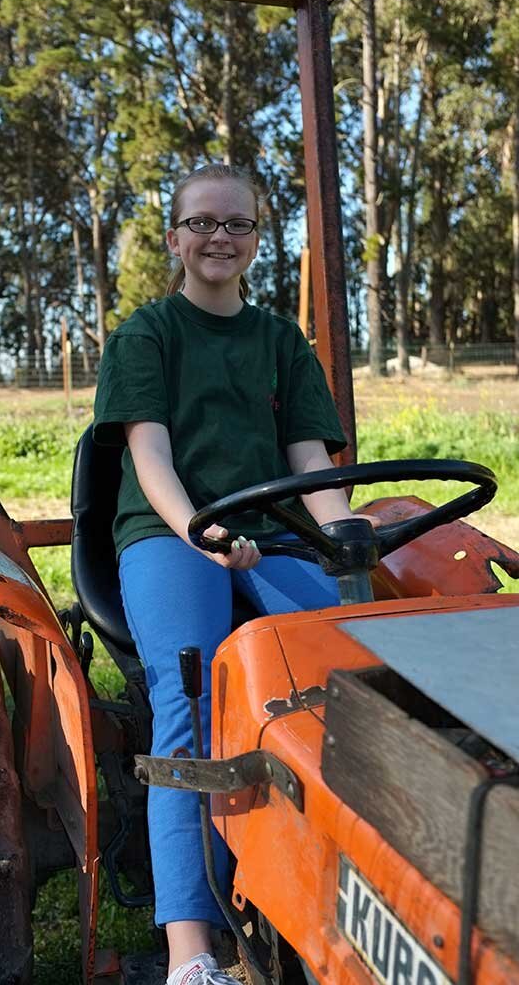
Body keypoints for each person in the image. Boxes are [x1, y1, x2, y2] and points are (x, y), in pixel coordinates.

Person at [93, 163, 371, 985]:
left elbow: (309, 462)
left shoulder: (280, 341)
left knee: (352, 678)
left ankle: (342, 903)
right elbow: (150, 458)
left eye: (238, 225)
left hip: (273, 533)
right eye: (203, 223)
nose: (220, 237)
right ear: (175, 237)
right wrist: (199, 531)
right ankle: (192, 952)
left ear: (257, 239)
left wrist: (346, 539)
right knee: (193, 702)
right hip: (169, 533)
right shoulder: (148, 334)